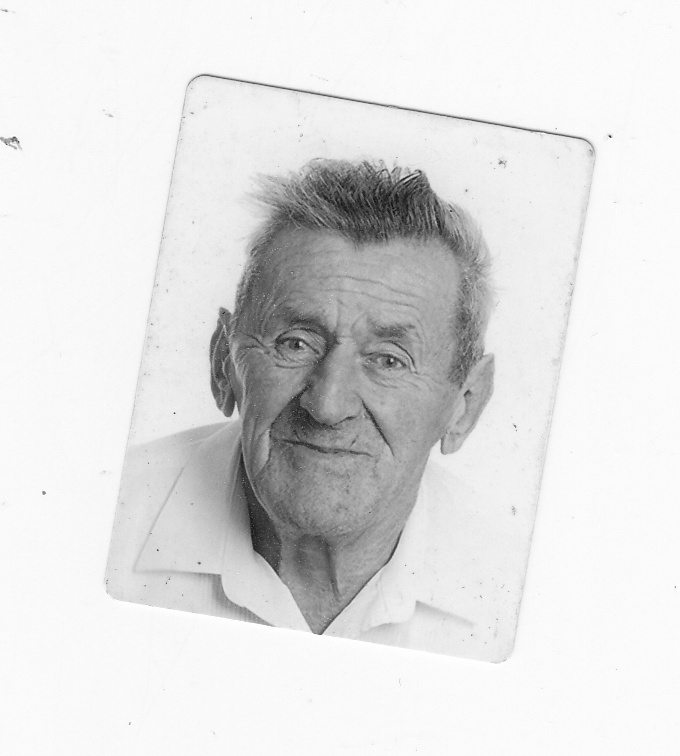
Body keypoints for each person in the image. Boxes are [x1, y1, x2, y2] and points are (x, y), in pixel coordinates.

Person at [106, 159, 511, 660]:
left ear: (465, 405)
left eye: (388, 360)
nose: (327, 405)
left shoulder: (522, 593)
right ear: (224, 363)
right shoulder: (95, 522)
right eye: (295, 344)